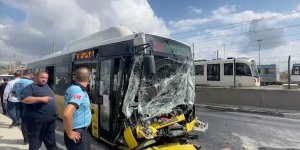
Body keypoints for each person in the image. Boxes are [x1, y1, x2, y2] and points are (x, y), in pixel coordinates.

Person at [21, 71, 59, 150]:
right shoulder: (31, 87)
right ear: (36, 77)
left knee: (51, 141)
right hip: (37, 121)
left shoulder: (47, 86)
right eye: (42, 77)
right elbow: (24, 99)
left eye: (46, 78)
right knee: (35, 142)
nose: (44, 79)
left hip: (50, 120)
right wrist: (40, 99)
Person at [63, 67, 91, 150]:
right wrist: (70, 133)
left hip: (75, 129)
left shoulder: (71, 88)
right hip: (78, 132)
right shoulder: (79, 91)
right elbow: (67, 114)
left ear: (76, 77)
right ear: (89, 78)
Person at [11, 69, 33, 144]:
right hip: (29, 104)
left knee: (23, 121)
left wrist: (19, 95)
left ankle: (25, 139)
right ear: (30, 75)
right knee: (30, 121)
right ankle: (30, 138)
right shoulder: (31, 83)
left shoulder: (17, 82)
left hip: (19, 102)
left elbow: (13, 94)